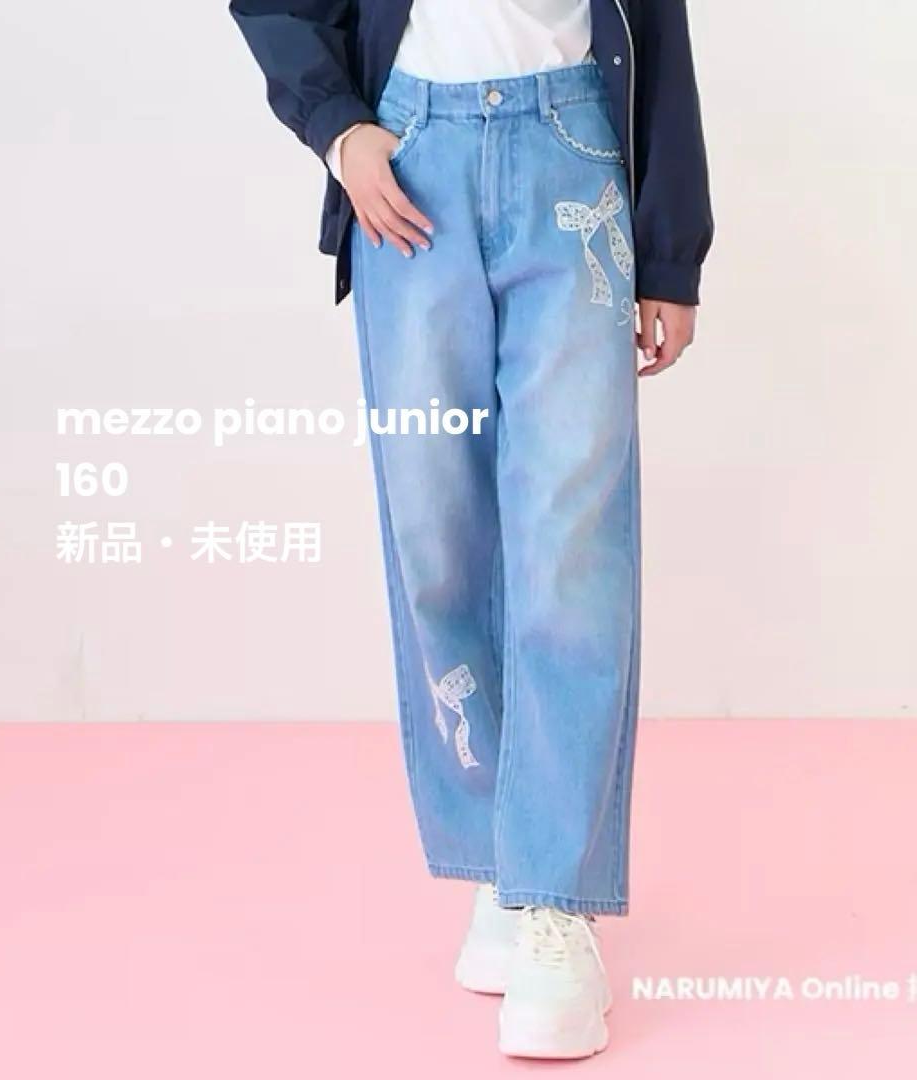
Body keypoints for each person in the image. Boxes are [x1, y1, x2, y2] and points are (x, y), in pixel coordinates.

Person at [229, 0, 712, 1059]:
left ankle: (556, 897)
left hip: (574, 154)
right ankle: (501, 858)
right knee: (435, 535)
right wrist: (339, 129)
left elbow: (658, 25)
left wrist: (670, 250)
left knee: (571, 541)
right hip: (412, 166)